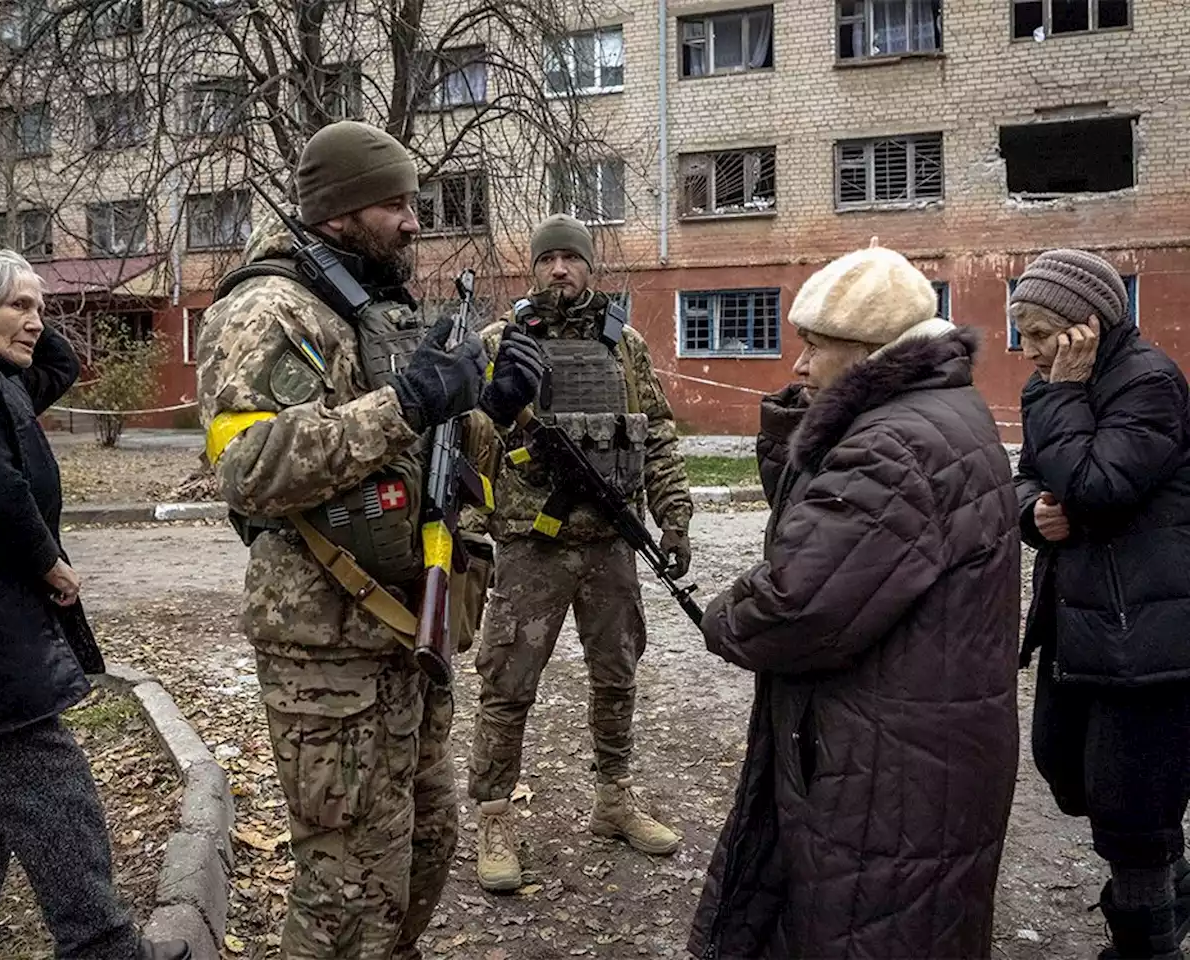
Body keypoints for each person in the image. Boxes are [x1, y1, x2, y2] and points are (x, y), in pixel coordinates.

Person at [196, 120, 537, 958]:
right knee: (346, 886)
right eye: (396, 203)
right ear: (341, 211)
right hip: (326, 653)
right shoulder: (265, 309)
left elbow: (427, 464)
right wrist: (408, 403)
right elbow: (250, 468)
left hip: (403, 635)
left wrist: (488, 411)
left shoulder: (371, 308)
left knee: (421, 853)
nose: (414, 221)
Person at [687, 244, 1021, 959]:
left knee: (868, 928)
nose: (799, 366)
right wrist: (802, 436)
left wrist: (722, 615)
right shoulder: (939, 411)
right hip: (922, 744)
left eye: (815, 347)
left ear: (872, 355)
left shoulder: (894, 446)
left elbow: (798, 603)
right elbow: (844, 542)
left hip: (888, 767)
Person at [0, 251, 188, 960]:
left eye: (40, 307)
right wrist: (51, 564)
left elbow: (54, 370)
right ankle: (104, 949)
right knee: (58, 805)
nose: (36, 322)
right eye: (18, 307)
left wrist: (18, 289)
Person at [466, 213, 694, 893]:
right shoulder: (500, 342)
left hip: (610, 544)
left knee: (617, 675)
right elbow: (468, 442)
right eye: (547, 260)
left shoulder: (624, 345)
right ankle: (494, 818)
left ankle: (613, 801)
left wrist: (674, 516)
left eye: (571, 258)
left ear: (591, 267)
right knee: (507, 683)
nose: (559, 270)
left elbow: (654, 433)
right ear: (532, 270)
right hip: (532, 543)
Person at [1012, 249, 1190, 960]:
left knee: (1131, 811)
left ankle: (1147, 943)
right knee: (1065, 768)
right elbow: (1031, 478)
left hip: (1147, 631)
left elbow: (1097, 487)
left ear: (1085, 326)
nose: (1027, 351)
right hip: (1080, 621)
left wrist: (1063, 396)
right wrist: (1032, 514)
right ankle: (1171, 892)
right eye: (1019, 332)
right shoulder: (1051, 383)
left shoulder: (1149, 383)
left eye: (1037, 333)